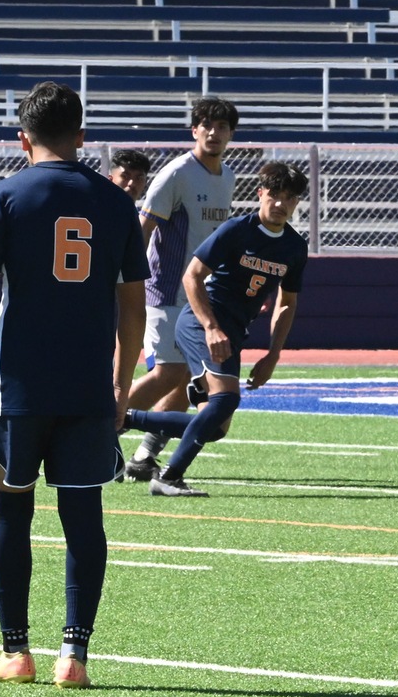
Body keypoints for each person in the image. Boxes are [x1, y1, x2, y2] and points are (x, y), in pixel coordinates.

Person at [0, 82, 145, 689]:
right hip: (87, 386)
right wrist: (122, 383)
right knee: (83, 515)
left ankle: (16, 651)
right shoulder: (115, 203)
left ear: (22, 138)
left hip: (19, 388)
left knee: (11, 509)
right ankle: (75, 657)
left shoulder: (6, 195)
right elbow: (134, 307)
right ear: (82, 136)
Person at [119, 159, 311, 497]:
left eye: (290, 198)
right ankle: (168, 477)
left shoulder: (294, 246)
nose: (281, 204)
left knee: (216, 426)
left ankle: (125, 419)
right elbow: (191, 275)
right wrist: (209, 326)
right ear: (260, 193)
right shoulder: (238, 229)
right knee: (225, 400)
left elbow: (286, 303)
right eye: (275, 194)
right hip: (200, 324)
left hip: (233, 332)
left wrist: (273, 356)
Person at [125, 96, 239, 479]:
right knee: (171, 375)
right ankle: (102, 427)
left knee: (192, 379)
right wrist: (130, 281)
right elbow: (145, 227)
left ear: (231, 134)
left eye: (222, 126)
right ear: (194, 130)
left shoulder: (227, 176)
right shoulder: (177, 173)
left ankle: (144, 454)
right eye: (206, 124)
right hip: (166, 290)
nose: (214, 132)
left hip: (201, 298)